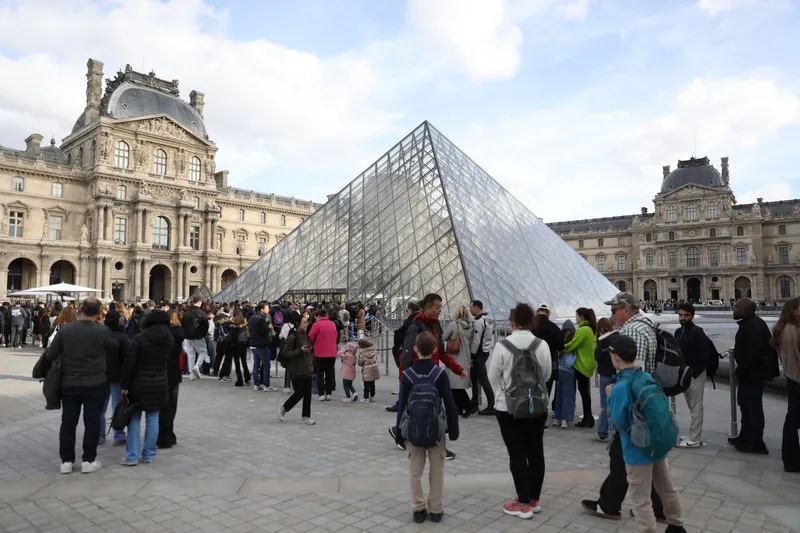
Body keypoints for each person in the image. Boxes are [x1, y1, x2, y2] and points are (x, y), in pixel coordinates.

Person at [582, 292, 663, 522]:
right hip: (646, 401)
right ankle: (659, 507)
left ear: (627, 309)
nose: (611, 313)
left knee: (621, 456)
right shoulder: (647, 326)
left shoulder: (629, 331)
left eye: (615, 309)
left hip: (633, 406)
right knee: (641, 458)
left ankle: (610, 505)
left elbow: (630, 368)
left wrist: (618, 396)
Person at [606, 335, 686, 533]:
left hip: (636, 450)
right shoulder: (646, 377)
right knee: (667, 487)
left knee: (640, 498)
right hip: (657, 442)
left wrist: (609, 397)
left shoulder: (620, 387)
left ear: (615, 357)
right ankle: (676, 525)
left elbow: (617, 423)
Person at [488, 303, 551, 520]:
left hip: (508, 408)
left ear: (511, 322)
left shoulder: (503, 345)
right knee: (536, 453)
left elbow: (492, 376)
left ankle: (522, 503)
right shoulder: (542, 345)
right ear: (532, 321)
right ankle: (533, 500)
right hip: (537, 406)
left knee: (517, 455)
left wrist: (504, 393)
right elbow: (547, 375)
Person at [391, 293, 466, 460]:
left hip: (433, 377)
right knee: (421, 411)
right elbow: (406, 357)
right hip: (416, 379)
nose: (439, 310)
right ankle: (405, 434)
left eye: (440, 307)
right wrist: (405, 379)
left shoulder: (436, 326)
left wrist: (458, 369)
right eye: (436, 307)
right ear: (426, 307)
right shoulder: (415, 327)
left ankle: (431, 443)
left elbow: (442, 353)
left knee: (434, 411)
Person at [45, 298, 115, 474]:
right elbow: (114, 351)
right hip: (95, 382)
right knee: (92, 422)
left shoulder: (66, 330)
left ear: (80, 309)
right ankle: (88, 460)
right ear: (99, 313)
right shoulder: (103, 331)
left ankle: (66, 462)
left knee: (68, 422)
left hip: (69, 382)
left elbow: (51, 354)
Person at [397, 331, 459, 524]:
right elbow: (449, 403)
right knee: (437, 471)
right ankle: (436, 509)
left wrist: (399, 431)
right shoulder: (439, 374)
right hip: (437, 431)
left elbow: (402, 405)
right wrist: (453, 429)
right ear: (434, 350)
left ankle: (418, 508)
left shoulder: (408, 374)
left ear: (415, 349)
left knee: (415, 472)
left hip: (414, 430)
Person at [120, 309, 172, 466]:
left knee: (134, 418)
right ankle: (149, 454)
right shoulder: (169, 339)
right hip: (159, 382)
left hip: (139, 383)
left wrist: (125, 384)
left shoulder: (139, 338)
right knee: (153, 418)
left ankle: (132, 456)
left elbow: (130, 363)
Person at [729, 298, 779, 455]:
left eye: (736, 307)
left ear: (745, 310)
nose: (734, 310)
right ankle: (745, 436)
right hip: (750, 373)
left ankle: (757, 443)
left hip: (754, 373)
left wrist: (739, 371)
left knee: (753, 408)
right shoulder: (751, 323)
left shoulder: (753, 326)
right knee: (745, 405)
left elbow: (752, 355)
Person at [674, 303, 712, 448]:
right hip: (685, 374)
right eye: (681, 315)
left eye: (686, 315)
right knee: (692, 405)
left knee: (696, 405)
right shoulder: (679, 331)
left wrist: (695, 373)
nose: (683, 318)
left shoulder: (697, 332)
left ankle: (694, 438)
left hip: (695, 374)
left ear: (692, 316)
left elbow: (704, 355)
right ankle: (693, 433)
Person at [771, 297, 800, 472]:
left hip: (791, 377)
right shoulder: (797, 330)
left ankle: (790, 459)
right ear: (795, 310)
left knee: (792, 419)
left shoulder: (782, 330)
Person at [561, 308, 597, 428]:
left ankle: (588, 418)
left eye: (576, 316)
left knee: (583, 394)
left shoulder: (583, 330)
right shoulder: (590, 329)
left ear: (581, 317)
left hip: (582, 365)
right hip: (588, 364)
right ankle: (588, 417)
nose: (575, 318)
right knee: (585, 393)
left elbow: (572, 345)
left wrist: (560, 348)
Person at [99, 309, 129, 447]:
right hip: (117, 376)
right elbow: (128, 359)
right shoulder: (122, 337)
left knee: (100, 407)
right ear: (118, 321)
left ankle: (99, 436)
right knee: (117, 406)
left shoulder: (99, 335)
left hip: (100, 375)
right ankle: (118, 436)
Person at [278, 314, 315, 425]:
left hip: (307, 368)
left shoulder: (306, 336)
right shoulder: (292, 337)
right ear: (298, 324)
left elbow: (310, 351)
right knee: (299, 393)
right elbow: (286, 353)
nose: (306, 324)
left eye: (307, 322)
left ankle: (306, 416)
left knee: (308, 394)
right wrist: (300, 351)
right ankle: (284, 407)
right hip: (296, 369)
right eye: (304, 322)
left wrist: (312, 365)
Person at [387, 301, 422, 413]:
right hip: (418, 356)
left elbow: (407, 342)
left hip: (410, 357)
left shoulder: (413, 323)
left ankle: (402, 404)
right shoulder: (422, 321)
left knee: (405, 380)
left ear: (410, 309)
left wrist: (402, 359)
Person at [158, 309, 184, 449]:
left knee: (161, 406)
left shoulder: (160, 336)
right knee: (172, 407)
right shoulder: (179, 335)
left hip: (161, 372)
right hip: (175, 373)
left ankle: (162, 436)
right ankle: (169, 434)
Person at [441, 305, 473, 416]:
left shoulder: (454, 325)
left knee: (454, 385)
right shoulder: (470, 326)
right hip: (466, 357)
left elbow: (443, 337)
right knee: (457, 385)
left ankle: (466, 406)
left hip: (455, 356)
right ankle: (460, 408)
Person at [532, 304, 564, 403]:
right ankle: (543, 408)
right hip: (548, 362)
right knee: (546, 388)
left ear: (537, 312)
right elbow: (561, 347)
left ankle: (530, 408)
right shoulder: (554, 328)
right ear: (548, 313)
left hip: (530, 362)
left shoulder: (529, 326)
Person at [593, 318, 618, 442]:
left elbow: (598, 357)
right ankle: (616, 431)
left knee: (605, 404)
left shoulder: (603, 340)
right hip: (617, 373)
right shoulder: (618, 336)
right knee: (616, 403)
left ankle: (603, 432)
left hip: (606, 375)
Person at [469, 300, 495, 415]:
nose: (470, 310)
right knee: (476, 378)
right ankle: (475, 403)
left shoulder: (479, 322)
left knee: (482, 379)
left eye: (471, 307)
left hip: (478, 354)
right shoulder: (487, 320)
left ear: (477, 307)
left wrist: (471, 355)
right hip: (484, 351)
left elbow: (476, 341)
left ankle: (490, 405)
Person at [309, 307, 339, 400]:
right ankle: (329, 393)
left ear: (318, 316)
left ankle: (321, 394)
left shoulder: (316, 325)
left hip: (320, 353)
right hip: (332, 352)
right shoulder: (332, 324)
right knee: (329, 373)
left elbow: (311, 338)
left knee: (320, 374)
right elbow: (336, 336)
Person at [554, 320, 577, 429]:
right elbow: (569, 363)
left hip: (559, 372)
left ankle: (556, 418)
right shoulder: (570, 347)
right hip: (568, 373)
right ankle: (565, 419)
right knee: (567, 396)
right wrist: (575, 356)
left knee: (559, 396)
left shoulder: (560, 343)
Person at [248, 301, 276, 392]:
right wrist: (269, 328)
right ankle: (266, 385)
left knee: (256, 364)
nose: (268, 310)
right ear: (262, 309)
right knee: (266, 365)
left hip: (253, 343)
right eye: (267, 308)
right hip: (262, 344)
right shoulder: (263, 319)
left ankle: (256, 384)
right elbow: (264, 331)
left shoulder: (252, 317)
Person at [182, 296, 209, 381]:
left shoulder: (186, 313)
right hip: (198, 336)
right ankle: (197, 366)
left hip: (188, 336)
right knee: (203, 352)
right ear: (200, 302)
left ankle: (191, 374)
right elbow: (206, 326)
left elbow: (182, 324)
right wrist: (203, 334)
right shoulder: (202, 313)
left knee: (190, 355)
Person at [228, 310, 252, 386]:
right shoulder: (244, 325)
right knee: (244, 362)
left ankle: (240, 380)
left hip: (235, 345)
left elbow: (231, 336)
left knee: (237, 363)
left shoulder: (232, 326)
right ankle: (247, 377)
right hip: (243, 344)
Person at [357, 338, 380, 402]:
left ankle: (366, 398)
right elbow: (376, 358)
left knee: (366, 385)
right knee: (372, 384)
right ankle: (372, 396)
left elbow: (360, 363)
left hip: (366, 369)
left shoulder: (362, 353)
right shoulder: (373, 350)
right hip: (374, 368)